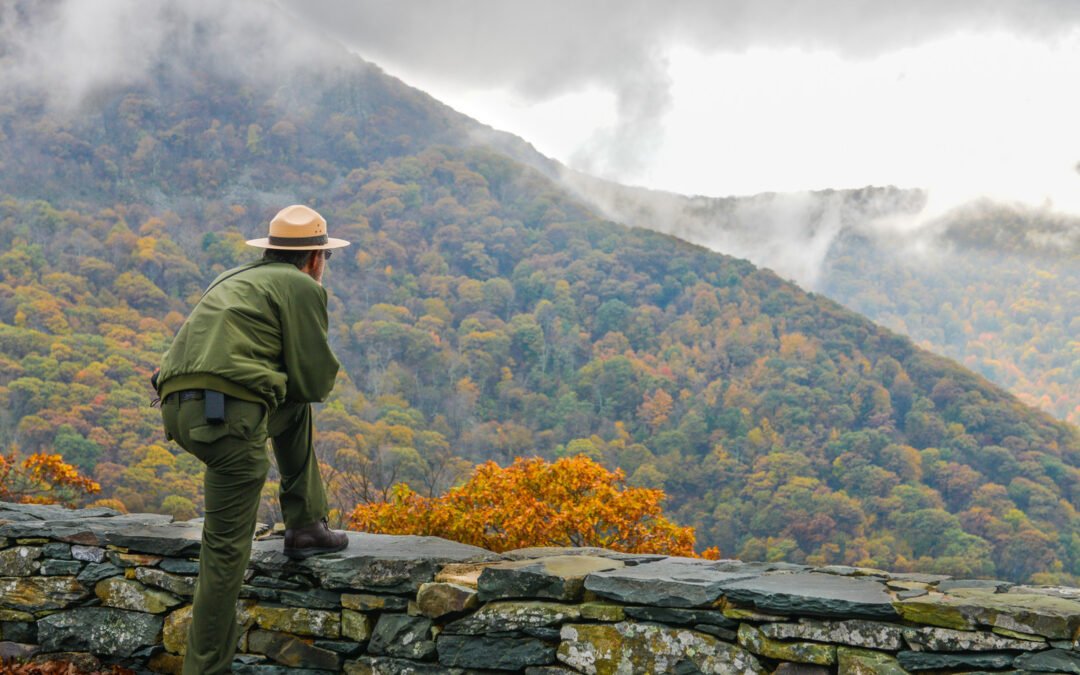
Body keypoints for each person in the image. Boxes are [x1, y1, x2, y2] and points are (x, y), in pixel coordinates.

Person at [155, 204, 351, 675]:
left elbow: (292, 396)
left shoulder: (232, 278)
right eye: (325, 257)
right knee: (223, 553)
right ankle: (206, 669)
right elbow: (314, 380)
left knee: (291, 408)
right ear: (315, 258)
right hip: (228, 418)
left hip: (179, 406)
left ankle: (306, 524)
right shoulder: (303, 286)